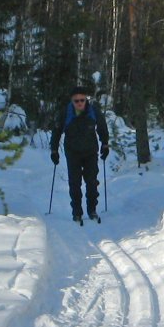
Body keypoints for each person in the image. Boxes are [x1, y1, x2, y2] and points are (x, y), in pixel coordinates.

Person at [51, 85, 109, 224]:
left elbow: (102, 127)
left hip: (90, 152)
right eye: (76, 101)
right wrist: (54, 150)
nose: (79, 103)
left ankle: (92, 210)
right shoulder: (66, 113)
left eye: (82, 100)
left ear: (86, 100)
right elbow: (57, 131)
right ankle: (77, 212)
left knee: (91, 181)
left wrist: (105, 144)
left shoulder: (93, 111)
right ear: (72, 101)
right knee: (75, 183)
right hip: (72, 152)